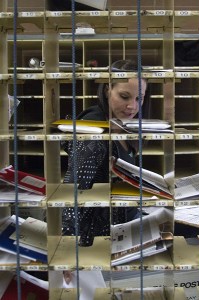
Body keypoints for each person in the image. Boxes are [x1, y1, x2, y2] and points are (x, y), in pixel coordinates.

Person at [62, 59, 152, 246]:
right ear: (106, 90)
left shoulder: (125, 127)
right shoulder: (92, 132)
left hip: (126, 224)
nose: (132, 107)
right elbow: (73, 196)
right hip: (98, 239)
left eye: (139, 98)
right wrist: (67, 251)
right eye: (124, 96)